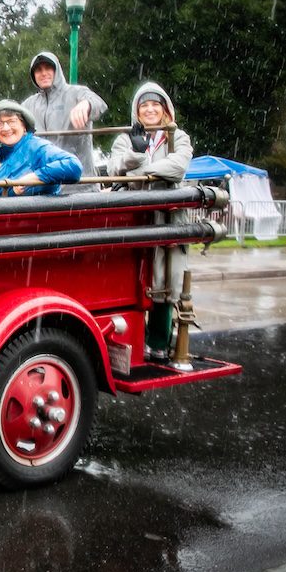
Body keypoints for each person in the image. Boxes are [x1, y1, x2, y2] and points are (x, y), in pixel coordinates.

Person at [107, 81, 193, 363]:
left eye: (155, 104)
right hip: (134, 219)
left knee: (164, 279)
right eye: (144, 105)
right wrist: (135, 152)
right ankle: (133, 340)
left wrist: (141, 171)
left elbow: (178, 167)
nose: (150, 109)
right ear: (137, 111)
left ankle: (158, 343)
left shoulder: (177, 136)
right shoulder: (125, 138)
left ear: (165, 108)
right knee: (133, 278)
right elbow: (113, 168)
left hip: (167, 218)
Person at [0, 99, 82, 198]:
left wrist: (34, 178)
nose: (6, 128)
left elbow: (73, 166)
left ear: (24, 126)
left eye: (12, 121)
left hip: (35, 218)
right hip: (4, 218)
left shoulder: (37, 147)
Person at [21, 52, 107, 194]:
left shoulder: (77, 93)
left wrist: (86, 104)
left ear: (57, 70)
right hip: (43, 189)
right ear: (33, 75)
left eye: (48, 68)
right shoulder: (28, 105)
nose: (44, 73)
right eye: (39, 70)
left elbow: (99, 104)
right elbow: (11, 125)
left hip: (80, 186)